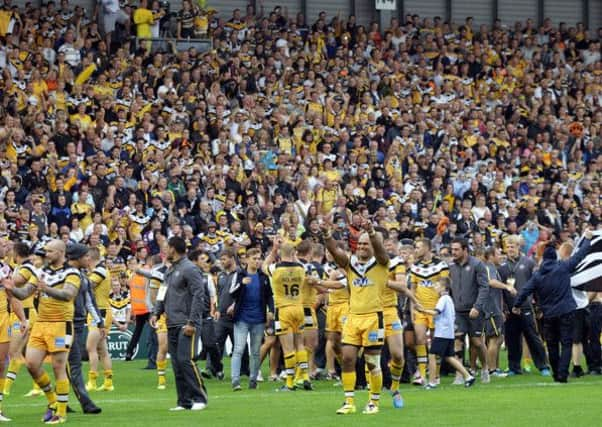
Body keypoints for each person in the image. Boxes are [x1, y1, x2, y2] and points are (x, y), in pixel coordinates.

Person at [6, 240, 81, 424]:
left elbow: (68, 295)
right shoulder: (41, 272)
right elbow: (24, 294)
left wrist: (45, 288)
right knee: (31, 364)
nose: (46, 254)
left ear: (61, 252)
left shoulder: (71, 272)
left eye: (50, 251)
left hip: (61, 324)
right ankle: (53, 401)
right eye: (45, 251)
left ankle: (61, 412)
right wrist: (11, 289)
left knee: (58, 367)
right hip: (40, 324)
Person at [319, 219, 389, 415]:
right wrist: (326, 234)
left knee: (371, 361)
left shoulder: (382, 263)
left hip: (374, 318)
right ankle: (349, 401)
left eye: (365, 244)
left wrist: (372, 232)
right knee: (348, 358)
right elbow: (335, 252)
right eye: (359, 244)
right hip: (353, 317)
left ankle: (373, 401)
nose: (361, 247)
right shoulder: (351, 265)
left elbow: (381, 251)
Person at [513, 229, 593, 383]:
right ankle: (563, 374)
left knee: (552, 345)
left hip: (549, 314)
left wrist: (517, 305)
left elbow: (525, 290)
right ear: (555, 256)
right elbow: (580, 255)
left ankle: (556, 373)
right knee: (567, 343)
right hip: (566, 312)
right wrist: (587, 239)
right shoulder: (563, 267)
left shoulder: (537, 275)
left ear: (543, 258)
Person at [151, 237, 208, 411]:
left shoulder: (190, 269)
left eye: (167, 247)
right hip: (171, 322)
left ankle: (201, 397)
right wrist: (156, 312)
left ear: (174, 249)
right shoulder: (170, 270)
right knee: (177, 363)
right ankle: (184, 401)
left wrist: (192, 322)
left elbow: (199, 296)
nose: (165, 251)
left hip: (186, 322)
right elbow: (163, 293)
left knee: (186, 360)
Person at [261, 238, 310, 392]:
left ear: (280, 254)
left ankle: (289, 382)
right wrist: (291, 253)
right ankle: (305, 376)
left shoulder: (276, 268)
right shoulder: (301, 268)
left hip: (283, 310)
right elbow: (296, 261)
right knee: (300, 344)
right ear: (294, 253)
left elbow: (263, 266)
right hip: (299, 309)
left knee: (287, 348)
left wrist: (274, 250)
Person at [499, 235, 549, 376]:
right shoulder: (502, 267)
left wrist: (539, 305)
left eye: (512, 246)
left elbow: (537, 284)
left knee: (533, 337)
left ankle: (543, 366)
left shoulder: (528, 263)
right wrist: (503, 308)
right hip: (510, 309)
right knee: (512, 339)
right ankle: (514, 367)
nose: (510, 249)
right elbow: (501, 290)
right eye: (508, 247)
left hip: (526, 306)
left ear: (518, 247)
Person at [64, 243, 103, 414]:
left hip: (77, 324)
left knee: (67, 363)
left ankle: (59, 400)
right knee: (73, 363)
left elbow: (89, 301)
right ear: (77, 258)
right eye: (86, 256)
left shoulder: (83, 277)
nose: (89, 259)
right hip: (65, 324)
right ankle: (85, 402)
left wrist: (99, 321)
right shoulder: (66, 275)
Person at [228, 248, 274, 390]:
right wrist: (242, 283)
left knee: (255, 351)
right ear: (246, 260)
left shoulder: (263, 277)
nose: (257, 261)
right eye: (254, 258)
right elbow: (231, 293)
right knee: (239, 349)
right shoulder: (239, 275)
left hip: (258, 319)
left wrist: (271, 310)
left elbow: (269, 296)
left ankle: (253, 379)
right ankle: (235, 380)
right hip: (242, 318)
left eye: (259, 258)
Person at [419, 277, 475, 388]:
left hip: (442, 333)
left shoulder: (443, 299)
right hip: (448, 333)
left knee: (432, 355)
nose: (434, 287)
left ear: (443, 287)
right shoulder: (449, 299)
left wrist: (422, 310)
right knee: (449, 357)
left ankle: (432, 382)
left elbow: (436, 312)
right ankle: (468, 376)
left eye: (436, 285)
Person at [449, 237, 490, 384]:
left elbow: (484, 287)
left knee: (477, 342)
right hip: (458, 311)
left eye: (456, 249)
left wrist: (477, 307)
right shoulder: (450, 266)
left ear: (465, 250)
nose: (453, 252)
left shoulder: (477, 265)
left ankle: (485, 368)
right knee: (458, 341)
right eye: (452, 249)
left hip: (474, 310)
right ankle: (460, 374)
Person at [409, 237, 449, 386]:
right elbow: (412, 288)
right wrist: (413, 307)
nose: (416, 250)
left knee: (435, 342)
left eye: (418, 247)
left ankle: (436, 374)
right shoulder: (415, 267)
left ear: (427, 248)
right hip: (420, 309)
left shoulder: (441, 265)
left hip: (435, 309)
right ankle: (421, 373)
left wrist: (441, 307)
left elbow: (444, 287)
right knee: (420, 339)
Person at [4, 242, 39, 398]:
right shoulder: (20, 267)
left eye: (11, 250)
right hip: (18, 312)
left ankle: (5, 388)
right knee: (25, 353)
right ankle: (38, 386)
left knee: (14, 352)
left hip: (25, 312)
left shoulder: (27, 268)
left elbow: (12, 284)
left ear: (16, 253)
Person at [0, 239, 26, 421]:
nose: (7, 247)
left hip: (2, 319)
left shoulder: (7, 269)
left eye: (7, 245)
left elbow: (12, 297)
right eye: (2, 245)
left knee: (1, 364)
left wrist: (23, 318)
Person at [481, 247, 515, 376]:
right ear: (490, 256)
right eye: (498, 254)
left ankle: (491, 368)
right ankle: (491, 370)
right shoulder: (488, 267)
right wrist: (507, 287)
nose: (501, 256)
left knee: (498, 339)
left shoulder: (493, 268)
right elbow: (491, 282)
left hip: (495, 308)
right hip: (490, 309)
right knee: (494, 339)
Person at [86, 247, 114, 392]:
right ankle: (108, 382)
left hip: (99, 312)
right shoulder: (100, 270)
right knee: (102, 349)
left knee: (91, 347)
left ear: (89, 258)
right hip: (101, 310)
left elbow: (86, 286)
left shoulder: (100, 271)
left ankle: (92, 381)